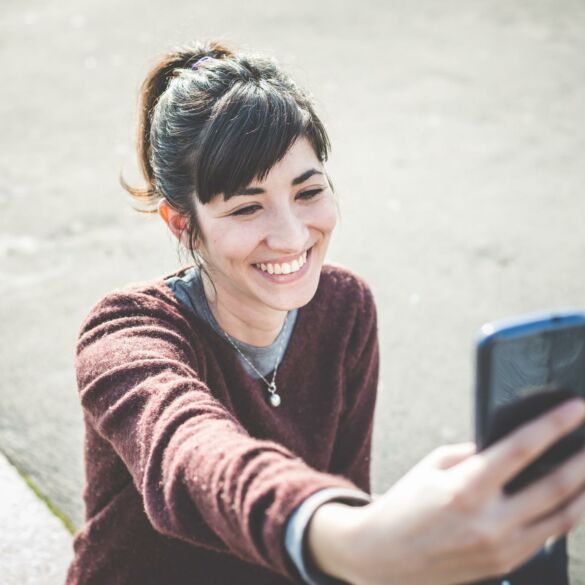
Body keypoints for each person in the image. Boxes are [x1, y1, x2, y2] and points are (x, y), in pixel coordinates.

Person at [65, 39, 585, 585]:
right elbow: (188, 454)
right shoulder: (124, 334)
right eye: (247, 207)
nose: (292, 236)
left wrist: (386, 533)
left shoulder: (344, 308)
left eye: (308, 191)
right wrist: (352, 538)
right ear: (181, 223)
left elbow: (344, 491)